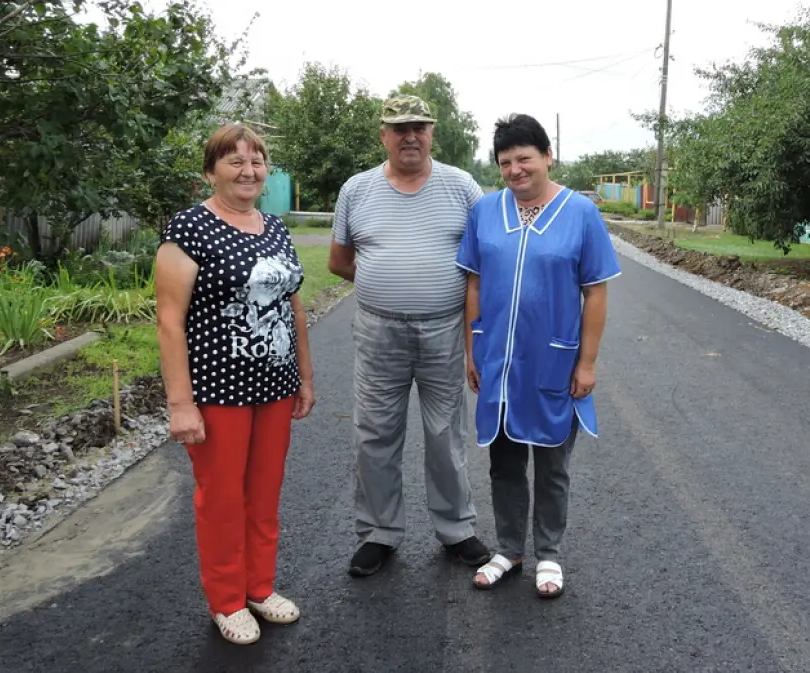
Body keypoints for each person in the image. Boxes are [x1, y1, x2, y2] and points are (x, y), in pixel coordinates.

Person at [155, 122, 315, 645]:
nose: (248, 170)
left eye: (256, 161)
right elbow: (169, 321)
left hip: (276, 385)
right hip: (218, 390)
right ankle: (226, 599)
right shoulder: (189, 228)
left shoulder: (274, 227)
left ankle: (260, 588)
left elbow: (292, 305)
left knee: (264, 492)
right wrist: (181, 404)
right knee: (222, 496)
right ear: (211, 171)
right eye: (234, 161)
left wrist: (305, 378)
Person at [457, 113, 621, 598]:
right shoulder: (486, 211)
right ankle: (509, 548)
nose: (514, 170)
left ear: (547, 157)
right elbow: (474, 282)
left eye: (524, 158)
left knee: (552, 464)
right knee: (504, 461)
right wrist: (473, 348)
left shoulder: (580, 213)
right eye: (505, 161)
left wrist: (587, 363)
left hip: (553, 360)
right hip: (498, 362)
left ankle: (548, 553)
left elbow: (595, 292)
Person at [329, 94, 492, 577]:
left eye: (419, 126)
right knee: (375, 433)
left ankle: (456, 528)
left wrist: (472, 342)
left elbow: (482, 266)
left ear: (431, 133)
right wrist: (389, 283)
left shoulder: (461, 187)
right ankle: (379, 532)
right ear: (383, 135)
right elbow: (339, 261)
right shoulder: (356, 191)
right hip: (378, 332)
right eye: (399, 128)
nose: (410, 135)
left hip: (443, 329)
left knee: (445, 433)